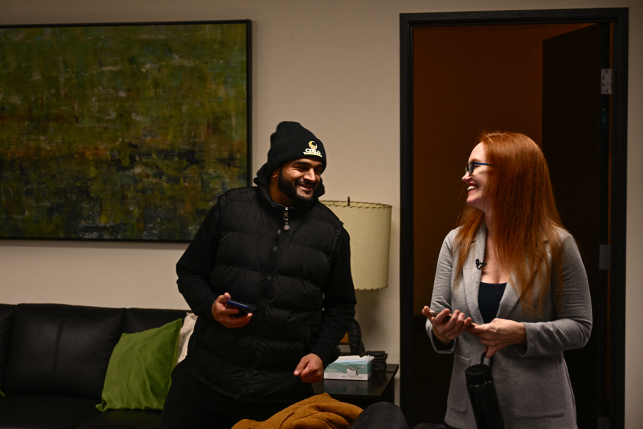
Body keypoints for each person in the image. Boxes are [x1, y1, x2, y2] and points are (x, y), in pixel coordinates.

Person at [161, 121, 357, 429]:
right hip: (204, 383)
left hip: (281, 394)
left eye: (318, 169)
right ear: (276, 169)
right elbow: (189, 273)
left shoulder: (332, 233)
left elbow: (341, 306)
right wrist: (211, 307)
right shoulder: (230, 209)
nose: (312, 177)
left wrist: (320, 353)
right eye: (301, 167)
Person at [422, 132, 592, 429]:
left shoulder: (557, 244)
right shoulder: (456, 242)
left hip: (537, 414)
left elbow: (580, 327)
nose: (465, 176)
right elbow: (436, 317)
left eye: (475, 166)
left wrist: (522, 333)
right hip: (469, 412)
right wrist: (441, 330)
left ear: (510, 174)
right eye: (467, 167)